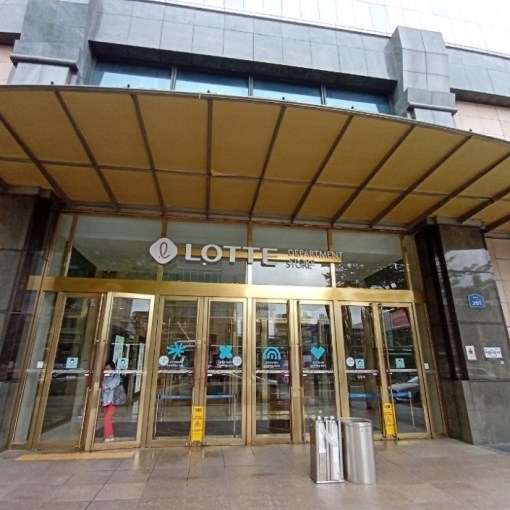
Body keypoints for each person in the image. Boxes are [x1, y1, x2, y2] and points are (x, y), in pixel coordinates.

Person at [101, 360, 120, 442]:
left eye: (108, 369)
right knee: (107, 418)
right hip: (105, 400)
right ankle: (110, 435)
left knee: (107, 418)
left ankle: (107, 436)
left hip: (113, 400)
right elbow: (103, 386)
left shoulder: (116, 375)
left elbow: (109, 386)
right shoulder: (105, 375)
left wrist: (105, 386)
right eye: (106, 369)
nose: (107, 371)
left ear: (112, 368)